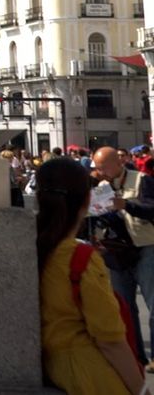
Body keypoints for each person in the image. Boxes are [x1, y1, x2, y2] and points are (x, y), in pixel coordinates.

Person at [37, 156, 145, 393]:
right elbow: (110, 340)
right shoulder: (80, 257)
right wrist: (141, 389)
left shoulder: (31, 249)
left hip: (47, 366)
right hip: (89, 373)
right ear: (87, 200)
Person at [88, 146, 154, 367]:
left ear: (118, 162)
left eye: (103, 167)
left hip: (146, 246)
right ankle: (137, 356)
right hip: (117, 251)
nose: (100, 172)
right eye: (97, 168)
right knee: (124, 307)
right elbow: (98, 218)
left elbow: (152, 209)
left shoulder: (141, 180)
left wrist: (126, 205)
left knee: (153, 303)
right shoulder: (102, 186)